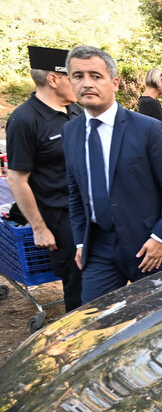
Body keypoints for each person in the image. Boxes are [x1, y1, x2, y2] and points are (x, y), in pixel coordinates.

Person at [62, 45, 162, 303]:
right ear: (70, 82)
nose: (87, 83)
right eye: (78, 76)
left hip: (151, 246)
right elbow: (76, 192)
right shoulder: (71, 132)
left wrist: (160, 237)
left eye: (96, 76)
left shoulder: (148, 129)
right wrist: (79, 242)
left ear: (115, 83)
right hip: (99, 248)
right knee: (99, 324)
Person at [5, 46, 83, 311]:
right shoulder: (25, 119)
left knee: (103, 277)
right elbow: (16, 178)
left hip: (89, 212)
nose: (80, 82)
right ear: (53, 79)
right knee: (78, 284)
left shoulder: (76, 112)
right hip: (60, 218)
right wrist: (39, 227)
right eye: (74, 76)